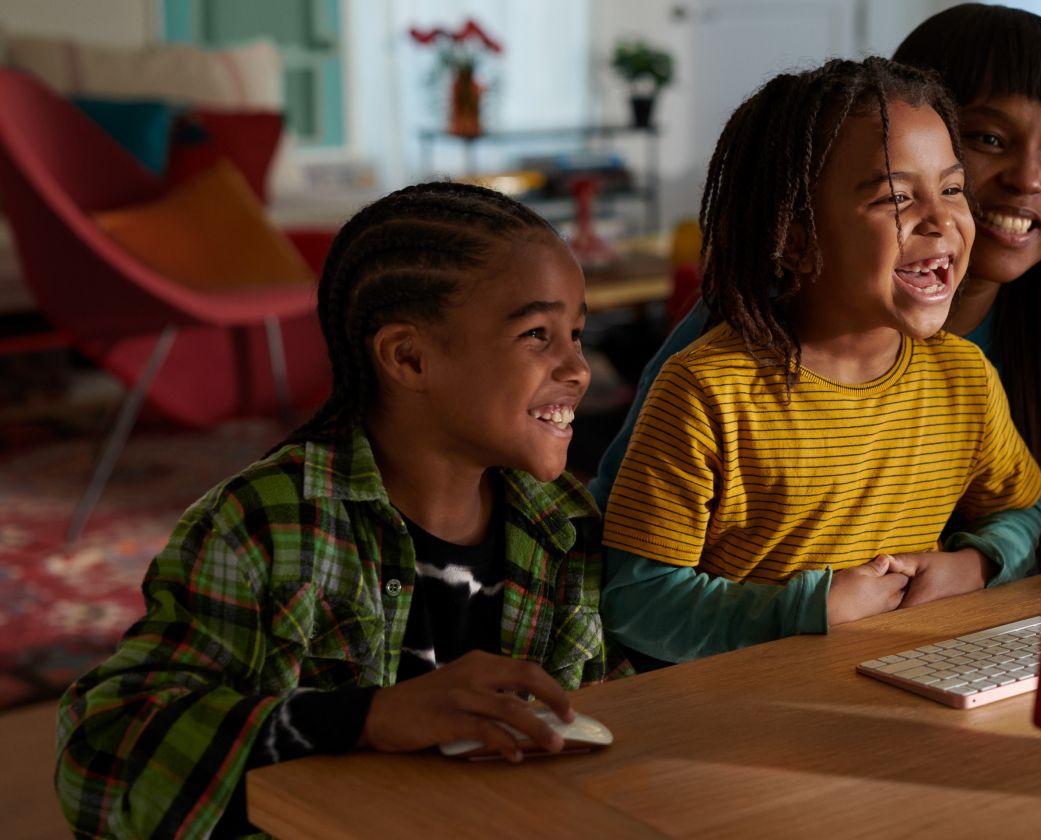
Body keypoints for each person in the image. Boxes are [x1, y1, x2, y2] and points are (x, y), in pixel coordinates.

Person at [55, 183, 625, 838]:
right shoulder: (262, 526)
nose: (579, 367)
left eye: (577, 334)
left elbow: (614, 713)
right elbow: (103, 756)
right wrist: (368, 717)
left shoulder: (567, 523)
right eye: (537, 334)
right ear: (408, 356)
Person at [599, 57, 1041, 666]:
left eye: (951, 188)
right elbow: (637, 601)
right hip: (731, 722)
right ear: (795, 236)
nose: (941, 221)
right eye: (896, 197)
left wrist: (976, 564)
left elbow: (1020, 508)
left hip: (902, 692)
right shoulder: (706, 391)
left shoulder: (965, 379)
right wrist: (803, 611)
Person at [591, 3, 1041, 529]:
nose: (1027, 179)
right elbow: (626, 530)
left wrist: (979, 559)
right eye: (988, 139)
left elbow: (1026, 515)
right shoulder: (745, 333)